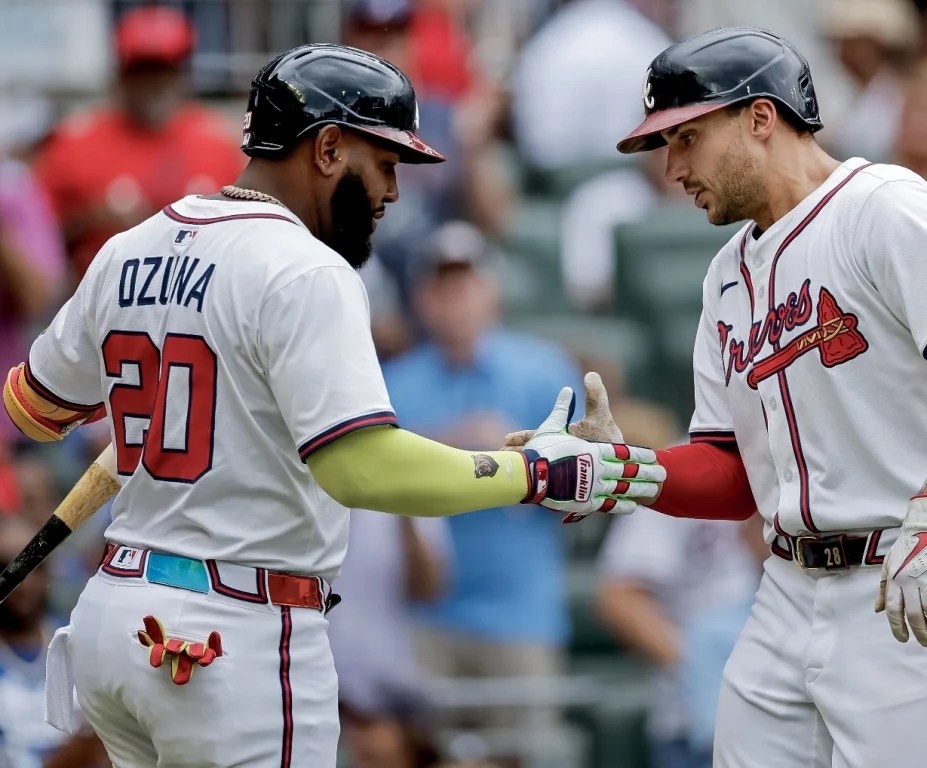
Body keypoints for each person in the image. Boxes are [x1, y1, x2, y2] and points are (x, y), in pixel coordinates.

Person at [1, 43, 663, 768]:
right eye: (383, 163)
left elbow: (33, 409)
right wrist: (534, 473)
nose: (393, 191)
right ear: (326, 149)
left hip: (115, 621)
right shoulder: (305, 267)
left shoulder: (129, 248)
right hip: (231, 634)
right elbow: (361, 470)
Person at [610, 25, 927, 768]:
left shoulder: (884, 210)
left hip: (900, 585)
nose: (672, 168)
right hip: (783, 589)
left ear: (760, 116)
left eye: (686, 138)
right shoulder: (725, 275)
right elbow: (728, 474)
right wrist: (618, 470)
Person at [383, 220, 583, 767]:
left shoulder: (545, 372)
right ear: (422, 300)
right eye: (442, 288)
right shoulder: (394, 384)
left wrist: (519, 458)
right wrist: (451, 446)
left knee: (523, 756)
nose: (456, 300)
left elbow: (585, 490)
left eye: (466, 284)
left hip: (520, 611)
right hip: (423, 615)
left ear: (491, 291)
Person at [35, 4, 243, 287]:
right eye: (141, 71)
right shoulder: (74, 142)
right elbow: (35, 239)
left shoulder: (217, 143)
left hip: (199, 299)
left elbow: (246, 235)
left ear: (181, 74)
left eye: (162, 70)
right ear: (121, 74)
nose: (152, 84)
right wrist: (90, 219)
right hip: (102, 299)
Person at [596, 509, 758, 768]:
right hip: (692, 727)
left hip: (783, 716)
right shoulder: (671, 498)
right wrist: (701, 669)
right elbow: (620, 598)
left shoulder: (790, 493)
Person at [0, 518, 108, 768]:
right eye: (7, 569)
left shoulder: (77, 643)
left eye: (34, 567)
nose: (24, 583)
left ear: (50, 572)